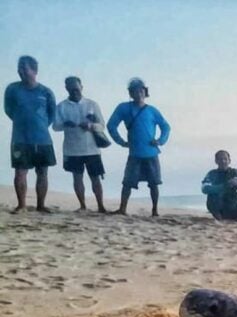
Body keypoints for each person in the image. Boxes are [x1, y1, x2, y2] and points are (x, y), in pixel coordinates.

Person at [107, 78, 170, 216]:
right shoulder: (123, 108)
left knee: (154, 184)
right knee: (127, 183)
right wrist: (121, 141)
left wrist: (160, 140)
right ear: (130, 93)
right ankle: (122, 209)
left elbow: (166, 126)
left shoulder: (152, 110)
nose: (138, 93)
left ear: (145, 92)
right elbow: (111, 125)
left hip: (151, 152)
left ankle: (155, 211)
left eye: (141, 90)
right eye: (135, 90)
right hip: (135, 153)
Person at [4, 55, 56, 213]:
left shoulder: (46, 92)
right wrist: (23, 122)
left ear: (34, 70)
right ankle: (22, 205)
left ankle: (41, 205)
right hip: (20, 139)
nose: (20, 71)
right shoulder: (12, 89)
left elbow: (52, 114)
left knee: (42, 172)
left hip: (42, 139)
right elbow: (8, 110)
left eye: (24, 68)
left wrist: (39, 126)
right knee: (20, 172)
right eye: (19, 68)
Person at [53, 76, 107, 212]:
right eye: (71, 89)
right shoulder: (61, 106)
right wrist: (66, 124)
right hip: (72, 149)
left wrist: (90, 126)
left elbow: (102, 125)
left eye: (76, 89)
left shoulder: (92, 104)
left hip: (92, 149)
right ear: (66, 89)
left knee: (95, 178)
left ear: (82, 87)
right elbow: (55, 126)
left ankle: (101, 206)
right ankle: (82, 205)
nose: (75, 92)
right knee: (77, 178)